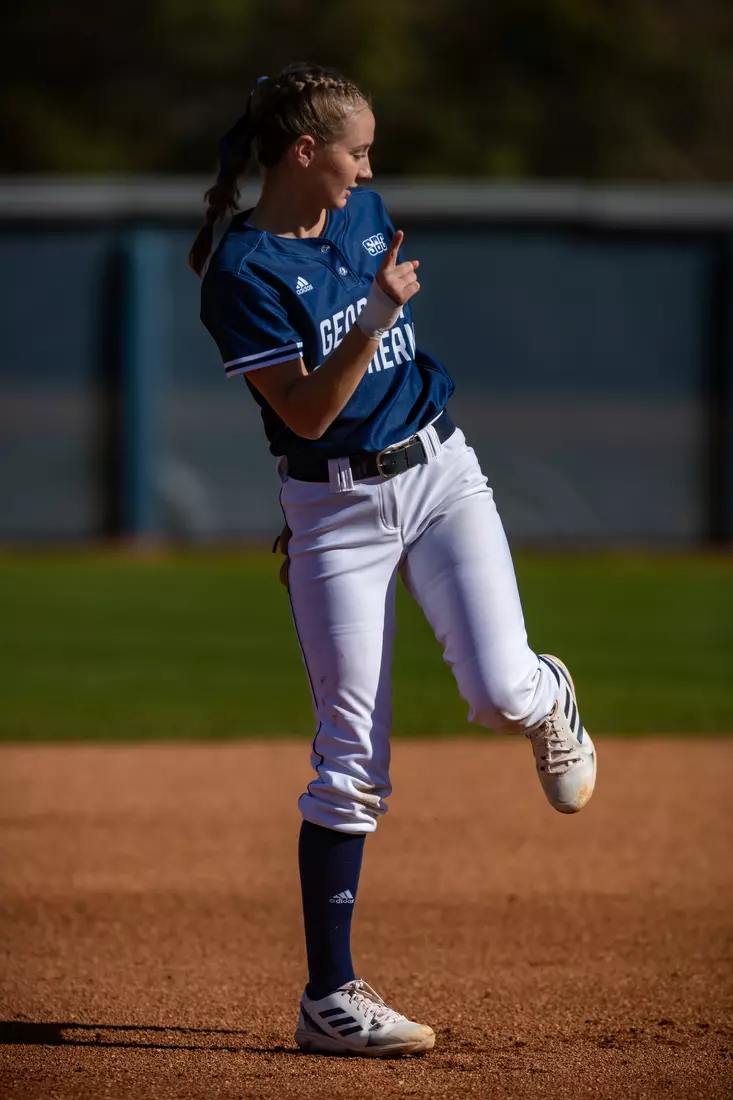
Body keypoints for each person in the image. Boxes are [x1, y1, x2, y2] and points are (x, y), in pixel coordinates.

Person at [191, 63, 597, 1059]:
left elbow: (386, 362)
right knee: (347, 763)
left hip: (440, 473)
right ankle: (328, 996)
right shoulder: (241, 274)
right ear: (303, 152)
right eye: (356, 148)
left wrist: (377, 315)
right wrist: (372, 318)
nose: (369, 166)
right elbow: (303, 414)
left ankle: (549, 693)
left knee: (501, 693)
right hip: (335, 511)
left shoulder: (362, 213)